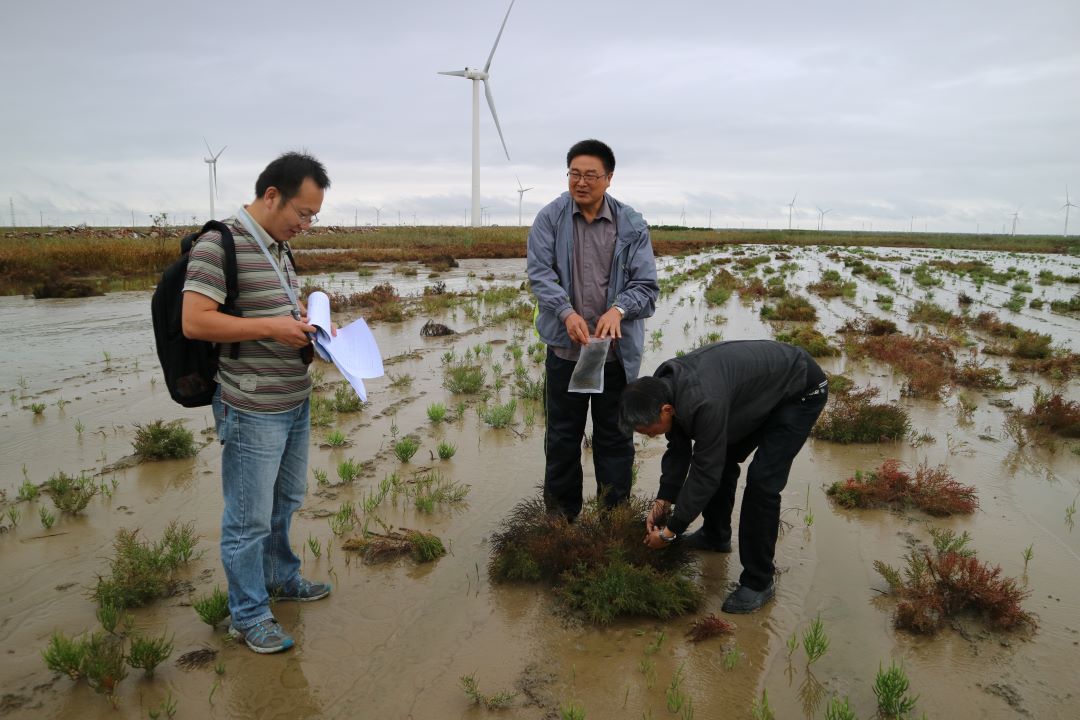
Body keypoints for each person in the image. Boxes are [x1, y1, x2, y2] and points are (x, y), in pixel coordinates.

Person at [182, 151, 332, 653]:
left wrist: (312, 337)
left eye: (313, 216)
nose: (306, 224)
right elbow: (196, 320)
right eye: (303, 213)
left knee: (284, 502)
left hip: (293, 398)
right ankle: (248, 615)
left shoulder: (278, 247)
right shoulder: (218, 242)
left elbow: (278, 312)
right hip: (251, 407)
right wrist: (273, 327)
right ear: (272, 196)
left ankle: (281, 577)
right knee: (247, 517)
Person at [619, 340, 828, 613]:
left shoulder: (704, 400)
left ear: (666, 410)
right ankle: (715, 536)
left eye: (647, 430)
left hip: (800, 391)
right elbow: (679, 447)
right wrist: (663, 500)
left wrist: (671, 531)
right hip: (757, 393)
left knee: (763, 482)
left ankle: (758, 581)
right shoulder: (664, 386)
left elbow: (706, 471)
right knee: (725, 454)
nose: (648, 435)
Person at [527, 139, 659, 520]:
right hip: (565, 352)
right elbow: (540, 274)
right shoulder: (549, 218)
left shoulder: (631, 223)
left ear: (609, 178)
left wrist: (619, 309)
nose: (580, 182)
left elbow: (645, 285)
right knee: (563, 438)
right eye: (574, 174)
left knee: (615, 439)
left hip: (614, 356)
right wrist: (566, 313)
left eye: (590, 175)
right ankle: (561, 518)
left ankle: (612, 518)